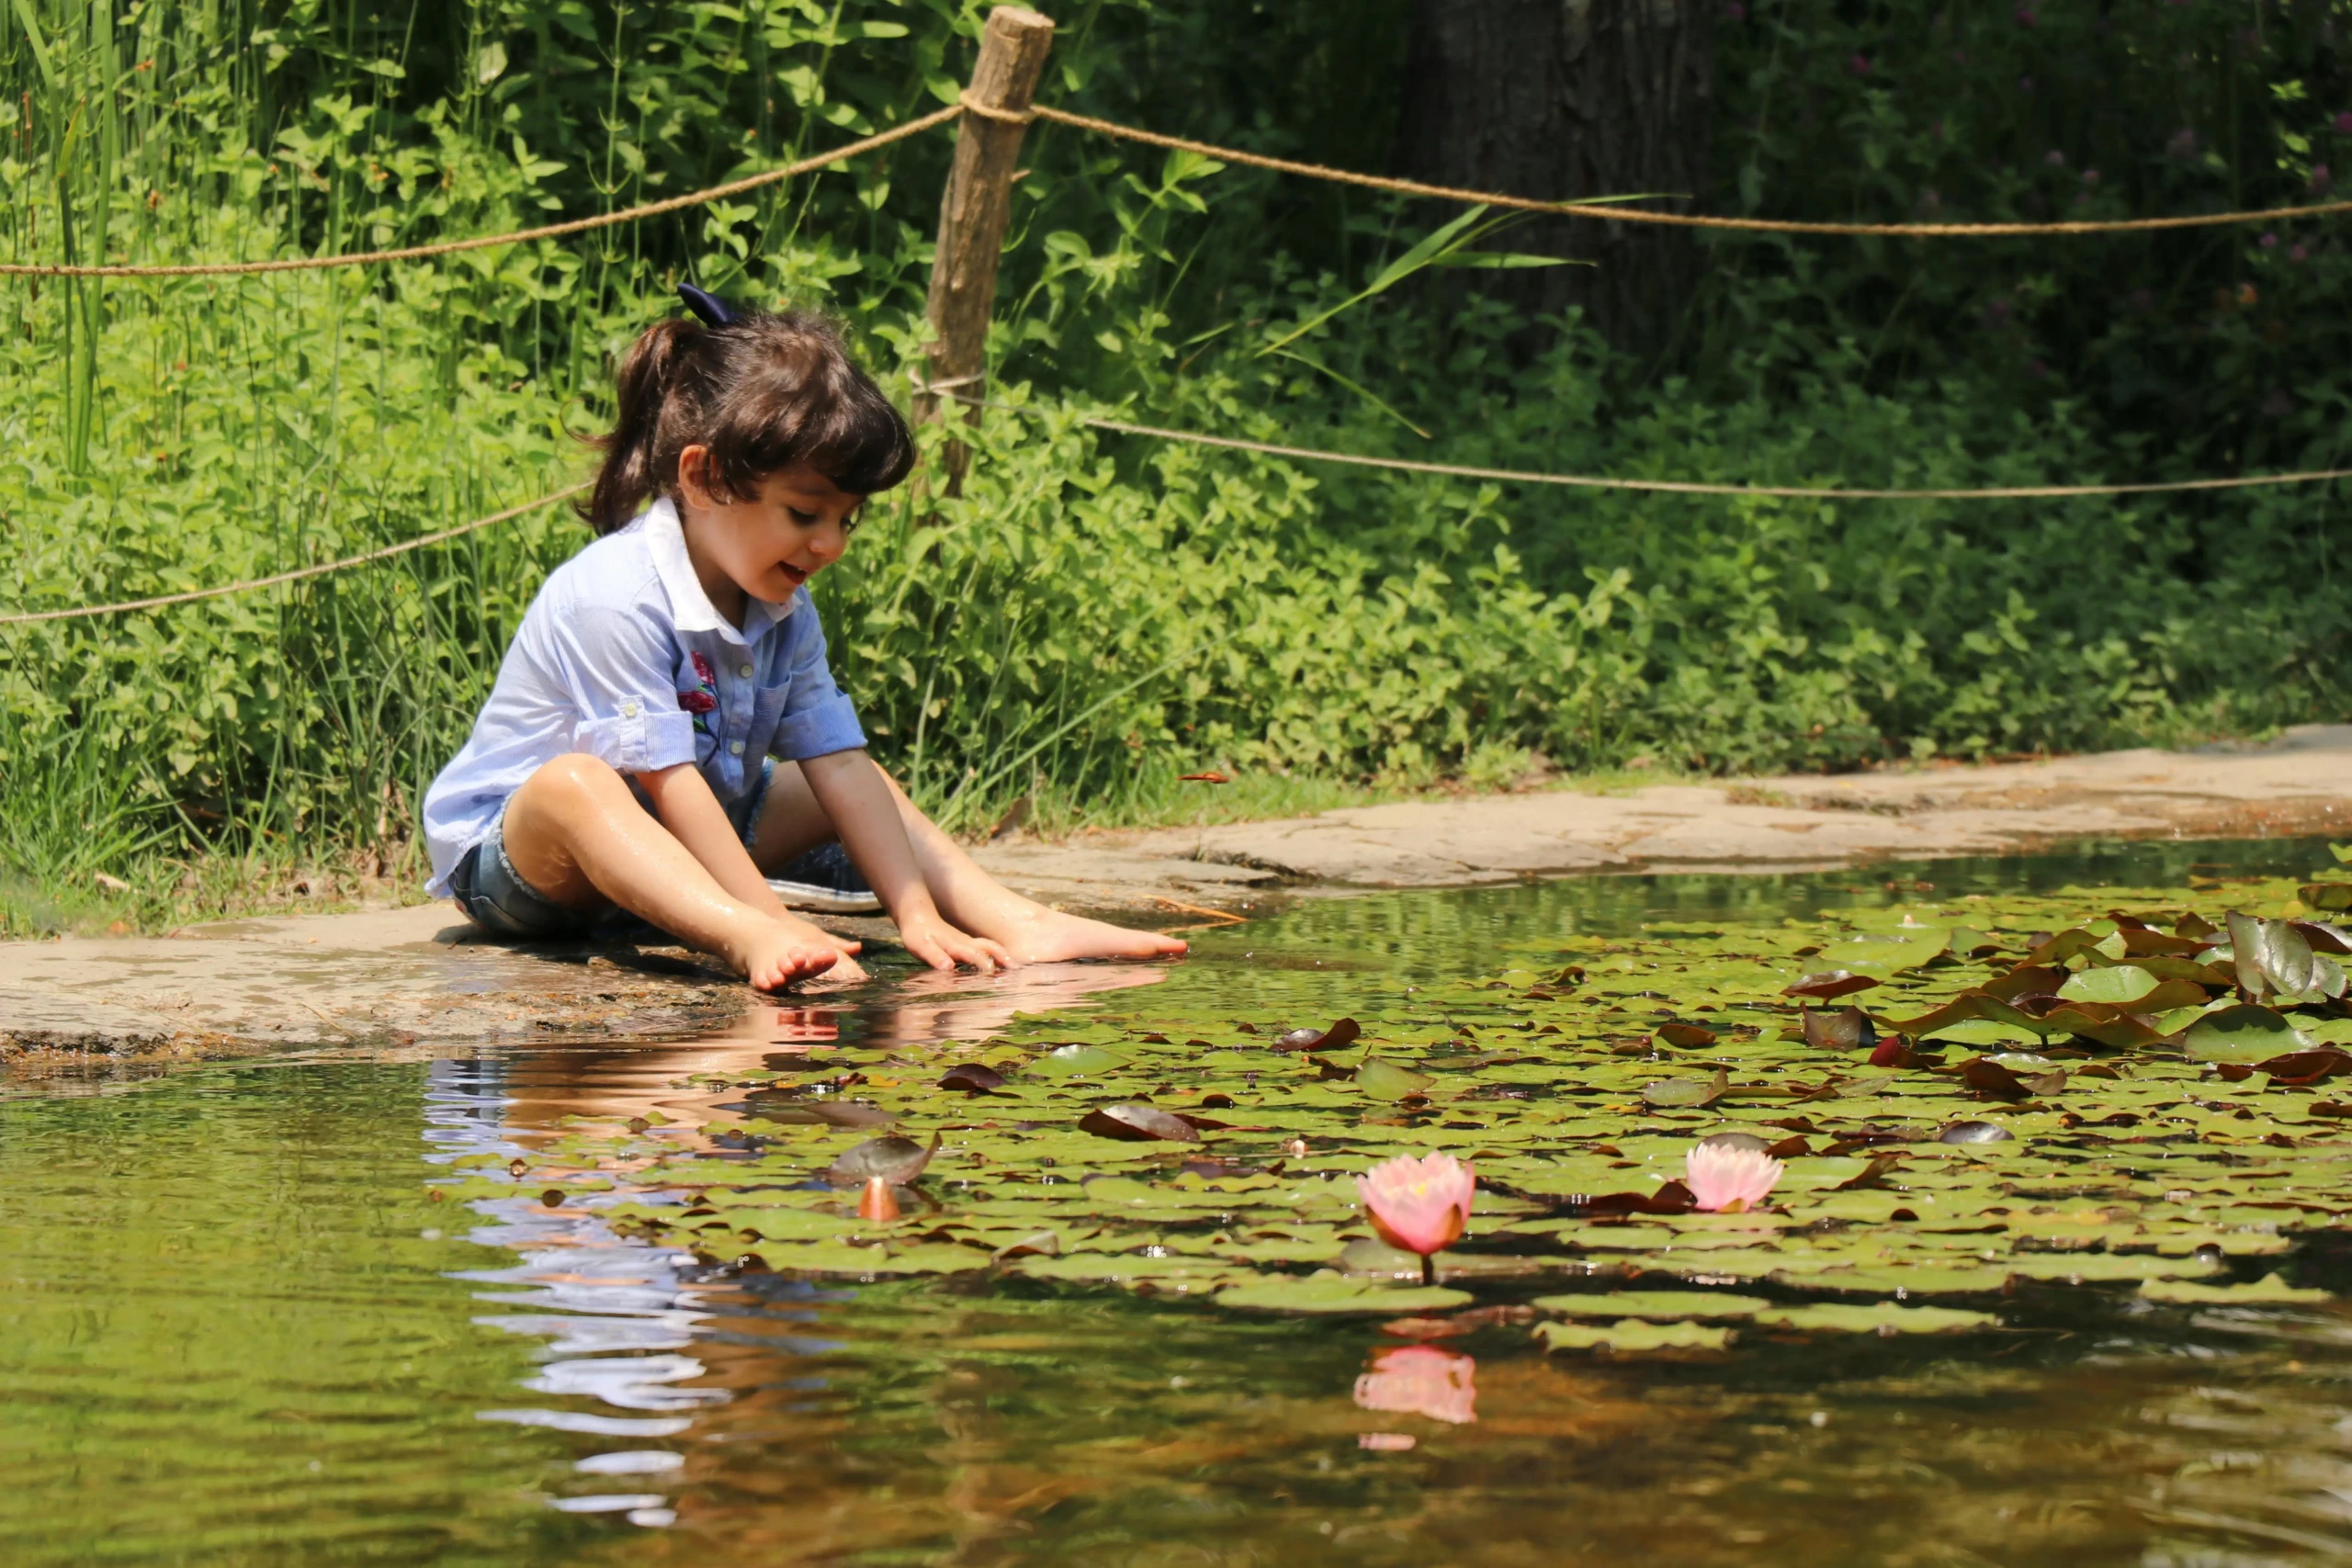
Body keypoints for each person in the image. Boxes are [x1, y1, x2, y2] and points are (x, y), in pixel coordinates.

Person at [419, 292, 1187, 991]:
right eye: (805, 513)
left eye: (846, 519)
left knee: (864, 782)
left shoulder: (783, 604)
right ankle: (742, 927)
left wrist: (915, 916)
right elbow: (669, 786)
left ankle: (1014, 918)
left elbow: (838, 761)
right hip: (524, 871)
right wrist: (765, 921)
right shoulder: (615, 595)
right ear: (705, 477)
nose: (830, 544)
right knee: (578, 782)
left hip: (668, 860)